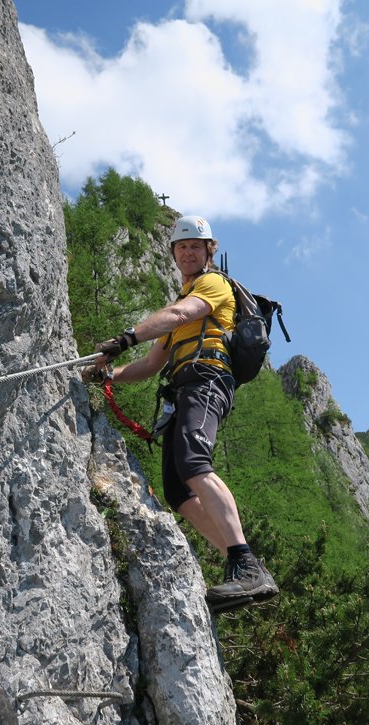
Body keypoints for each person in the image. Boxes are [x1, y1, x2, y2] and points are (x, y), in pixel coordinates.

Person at [83, 215, 279, 607]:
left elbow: (178, 315)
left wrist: (125, 338)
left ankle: (247, 566)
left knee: (194, 462)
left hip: (207, 379)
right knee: (177, 489)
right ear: (174, 254)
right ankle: (243, 566)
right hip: (183, 387)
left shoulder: (213, 285)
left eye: (195, 247)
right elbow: (150, 365)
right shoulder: (180, 306)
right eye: (182, 247)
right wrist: (106, 375)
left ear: (209, 251)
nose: (188, 253)